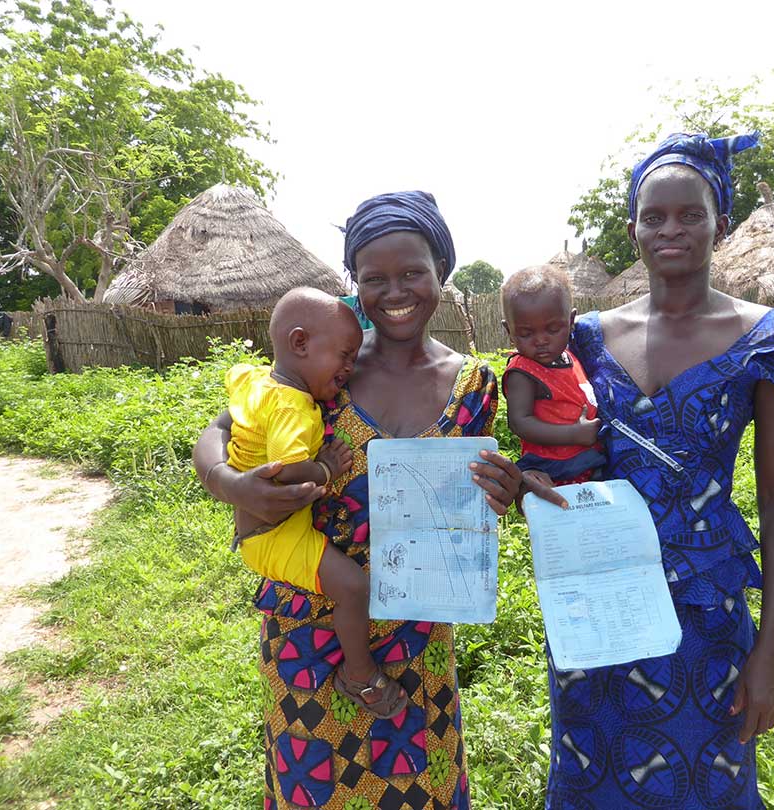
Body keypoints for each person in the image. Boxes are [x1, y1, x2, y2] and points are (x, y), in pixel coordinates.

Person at [193, 191, 548, 810]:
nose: (395, 290)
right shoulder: (329, 365)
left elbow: (470, 494)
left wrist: (502, 491)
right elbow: (220, 430)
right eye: (373, 277)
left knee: (424, 783)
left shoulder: (473, 384)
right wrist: (229, 483)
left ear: (443, 272)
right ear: (354, 283)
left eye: (413, 272)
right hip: (309, 621)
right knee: (315, 786)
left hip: (419, 626)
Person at [536, 132, 774, 809]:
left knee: (707, 783)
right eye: (654, 216)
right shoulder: (583, 337)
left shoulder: (770, 343)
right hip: (598, 608)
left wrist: (771, 652)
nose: (671, 229)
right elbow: (555, 453)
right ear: (634, 228)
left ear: (720, 225)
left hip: (705, 619)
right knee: (592, 781)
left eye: (690, 214)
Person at [223, 287, 409, 719]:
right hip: (276, 533)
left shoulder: (256, 381)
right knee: (353, 588)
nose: (349, 367)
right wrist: (325, 468)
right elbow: (286, 471)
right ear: (301, 342)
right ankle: (359, 674)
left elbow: (232, 401)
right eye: (344, 355)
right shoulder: (293, 407)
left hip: (264, 529)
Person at [500, 265, 605, 485]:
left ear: (571, 321)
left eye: (553, 329)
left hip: (583, 461)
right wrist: (575, 434)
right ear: (509, 331)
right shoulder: (523, 371)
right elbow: (520, 423)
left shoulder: (570, 357)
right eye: (526, 333)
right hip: (551, 469)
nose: (541, 340)